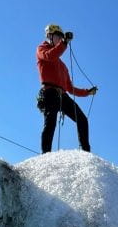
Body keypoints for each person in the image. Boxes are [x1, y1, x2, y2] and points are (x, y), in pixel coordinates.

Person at [36, 23, 97, 153]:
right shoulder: (42, 49)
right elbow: (50, 56)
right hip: (49, 93)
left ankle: (86, 152)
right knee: (50, 124)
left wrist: (88, 92)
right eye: (58, 36)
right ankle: (45, 154)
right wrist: (64, 43)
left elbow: (70, 88)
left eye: (61, 37)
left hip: (62, 95)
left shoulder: (63, 66)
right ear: (49, 36)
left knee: (82, 119)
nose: (60, 39)